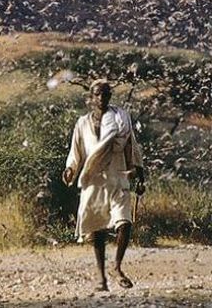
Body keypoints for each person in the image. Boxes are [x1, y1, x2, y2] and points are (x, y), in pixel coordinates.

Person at [62, 79, 145, 291]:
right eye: (97, 94)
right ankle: (101, 279)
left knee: (124, 222)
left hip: (117, 177)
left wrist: (139, 175)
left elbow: (131, 148)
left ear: (109, 96)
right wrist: (70, 170)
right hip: (94, 180)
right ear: (91, 98)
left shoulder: (121, 121)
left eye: (105, 94)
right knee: (97, 231)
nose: (101, 98)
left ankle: (116, 267)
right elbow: (76, 152)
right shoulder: (82, 123)